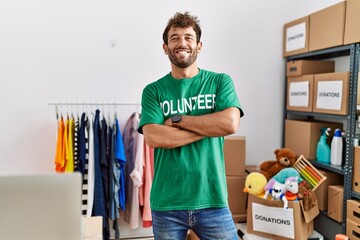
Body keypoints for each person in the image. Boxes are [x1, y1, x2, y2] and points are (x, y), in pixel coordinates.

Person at [138, 11, 244, 240]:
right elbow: (154, 138)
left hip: (212, 198)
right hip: (167, 203)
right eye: (174, 38)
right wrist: (208, 128)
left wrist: (179, 121)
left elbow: (230, 123)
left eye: (188, 37)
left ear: (199, 45)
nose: (181, 43)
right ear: (165, 47)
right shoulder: (153, 91)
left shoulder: (219, 82)